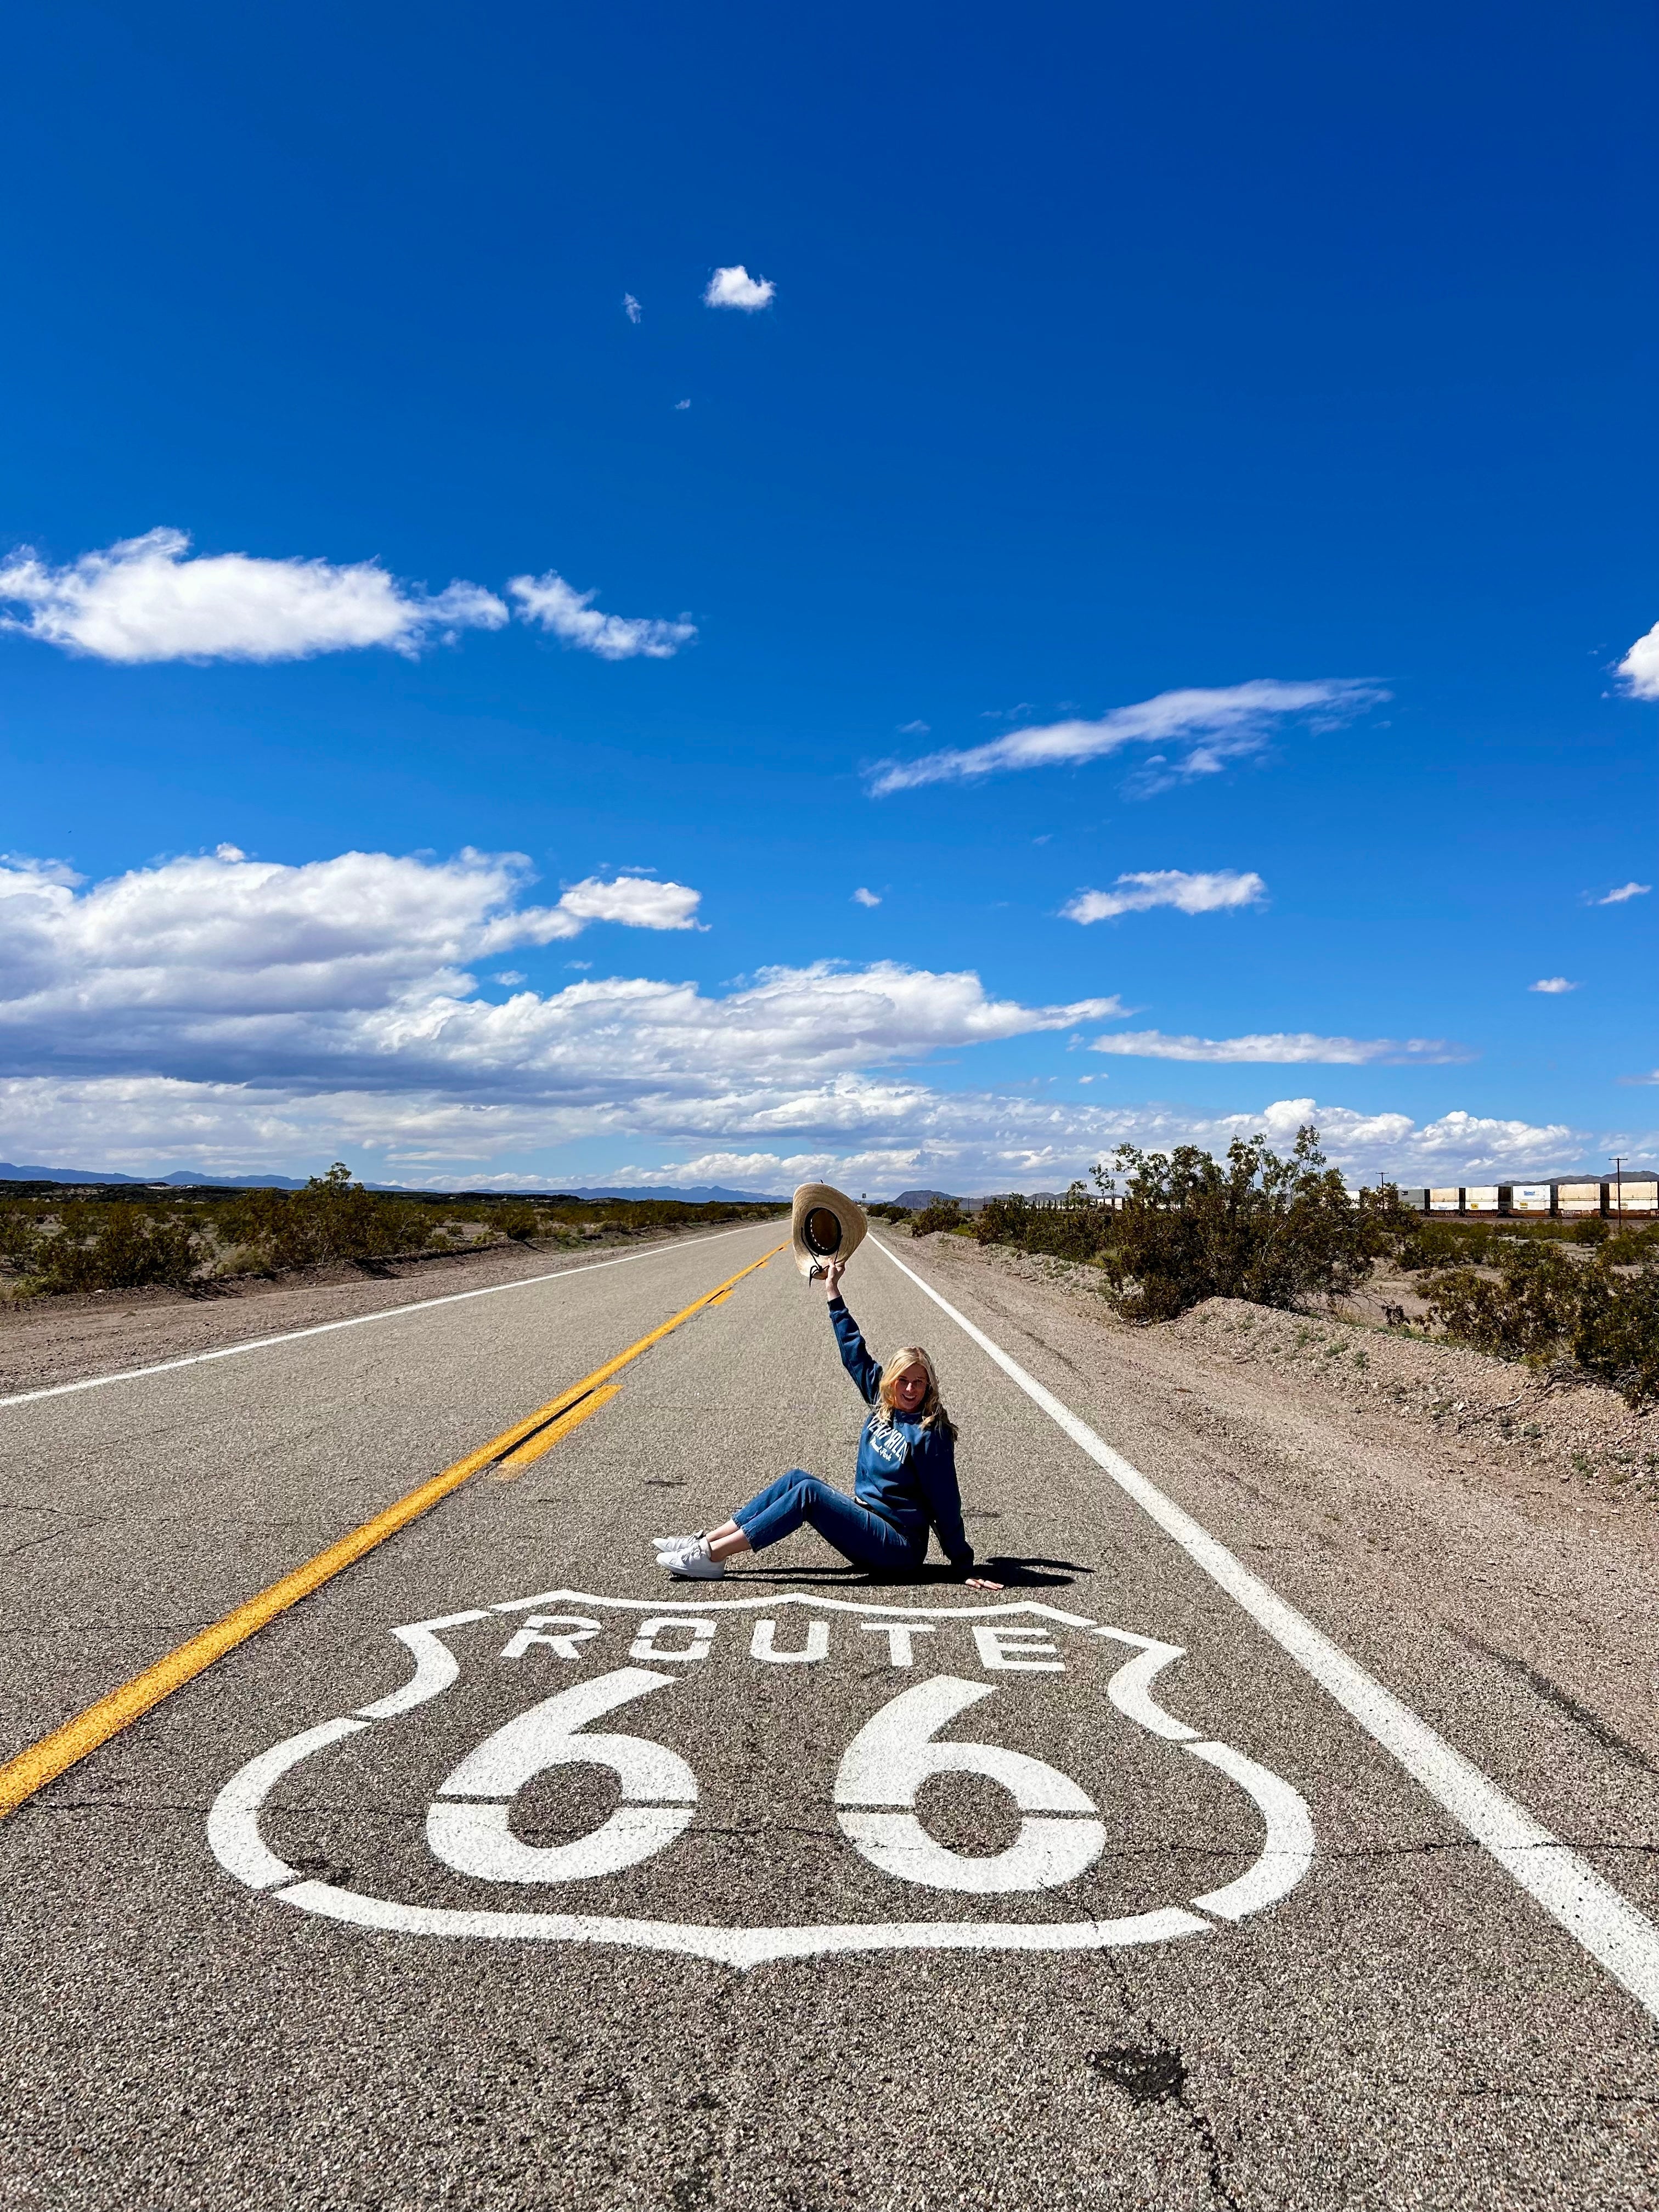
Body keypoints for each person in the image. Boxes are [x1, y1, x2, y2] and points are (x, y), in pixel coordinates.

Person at [654, 1253, 1001, 1588]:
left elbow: (946, 1502)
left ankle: (712, 1557)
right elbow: (854, 1351)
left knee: (808, 1495)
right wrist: (832, 1289)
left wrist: (962, 1564)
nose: (910, 1389)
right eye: (903, 1380)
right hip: (869, 1522)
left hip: (898, 1546)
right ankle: (705, 1541)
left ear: (929, 1385)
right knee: (796, 1479)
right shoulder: (885, 1402)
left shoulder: (930, 1434)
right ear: (891, 1381)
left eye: (919, 1382)